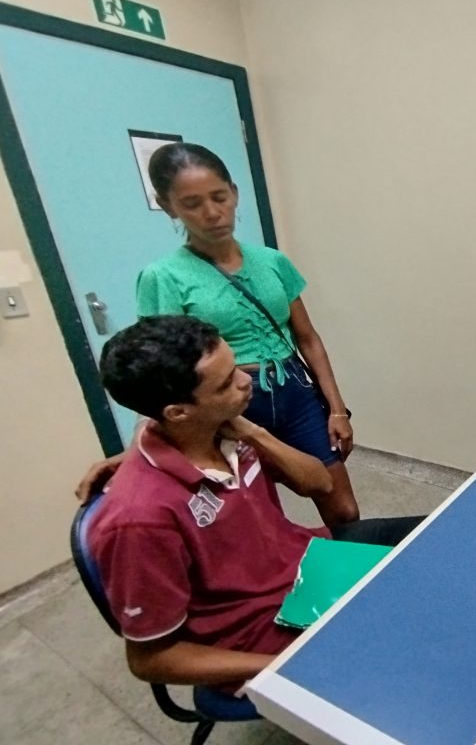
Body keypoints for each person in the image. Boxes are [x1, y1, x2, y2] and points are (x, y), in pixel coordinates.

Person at [89, 316, 421, 690]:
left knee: (443, 540)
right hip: (259, 631)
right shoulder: (138, 519)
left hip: (306, 560)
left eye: (236, 367)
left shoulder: (222, 430)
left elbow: (320, 482)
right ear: (178, 412)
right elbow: (152, 659)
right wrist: (285, 666)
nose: (247, 380)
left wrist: (253, 432)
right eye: (226, 383)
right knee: (415, 644)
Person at [78, 142, 359, 525]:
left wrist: (337, 410)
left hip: (295, 391)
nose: (212, 213)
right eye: (192, 203)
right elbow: (161, 374)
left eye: (219, 197)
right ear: (167, 206)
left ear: (234, 193)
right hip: (227, 403)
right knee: (258, 515)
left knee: (343, 509)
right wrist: (139, 452)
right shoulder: (164, 277)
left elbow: (308, 338)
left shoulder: (272, 261)